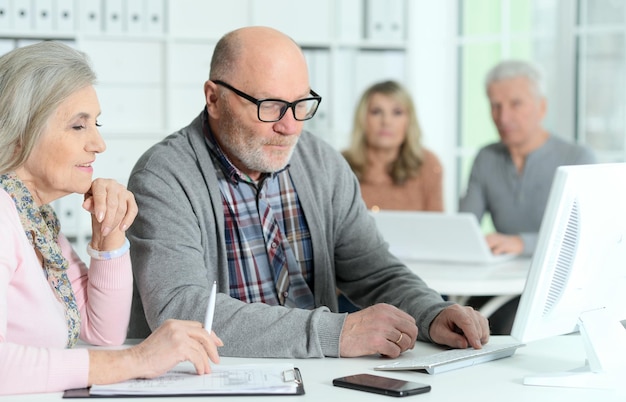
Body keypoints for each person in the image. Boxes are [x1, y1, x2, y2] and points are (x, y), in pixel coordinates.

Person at [127, 26, 489, 359]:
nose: (290, 126)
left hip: (318, 380)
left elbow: (372, 271)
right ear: (214, 98)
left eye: (301, 104)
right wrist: (334, 333)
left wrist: (432, 311)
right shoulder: (163, 175)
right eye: (269, 106)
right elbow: (180, 308)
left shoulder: (321, 163)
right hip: (217, 381)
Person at [0, 41, 222, 396]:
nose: (99, 144)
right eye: (78, 126)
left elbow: (102, 331)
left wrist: (109, 234)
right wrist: (138, 360)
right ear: (19, 132)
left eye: (96, 124)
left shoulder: (34, 219)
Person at [459, 59, 596, 334]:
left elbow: (586, 237)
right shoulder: (486, 157)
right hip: (502, 280)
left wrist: (521, 242)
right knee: (458, 324)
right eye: (495, 105)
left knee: (502, 327)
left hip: (558, 285)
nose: (503, 116)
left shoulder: (577, 158)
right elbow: (465, 227)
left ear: (541, 107)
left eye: (515, 104)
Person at [342, 80, 443, 212]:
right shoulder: (340, 164)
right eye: (376, 112)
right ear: (363, 119)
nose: (386, 121)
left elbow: (437, 225)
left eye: (397, 113)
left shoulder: (426, 163)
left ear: (409, 120)